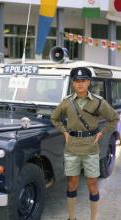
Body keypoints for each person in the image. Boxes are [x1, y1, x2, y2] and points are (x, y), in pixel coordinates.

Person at [51, 67, 119, 220]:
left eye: (83, 80)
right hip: (72, 148)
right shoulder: (67, 102)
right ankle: (72, 217)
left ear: (89, 82)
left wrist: (102, 133)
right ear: (73, 84)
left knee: (92, 185)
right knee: (72, 184)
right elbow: (54, 118)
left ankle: (93, 218)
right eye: (77, 81)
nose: (80, 83)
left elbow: (114, 118)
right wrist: (64, 131)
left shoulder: (98, 102)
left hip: (91, 149)